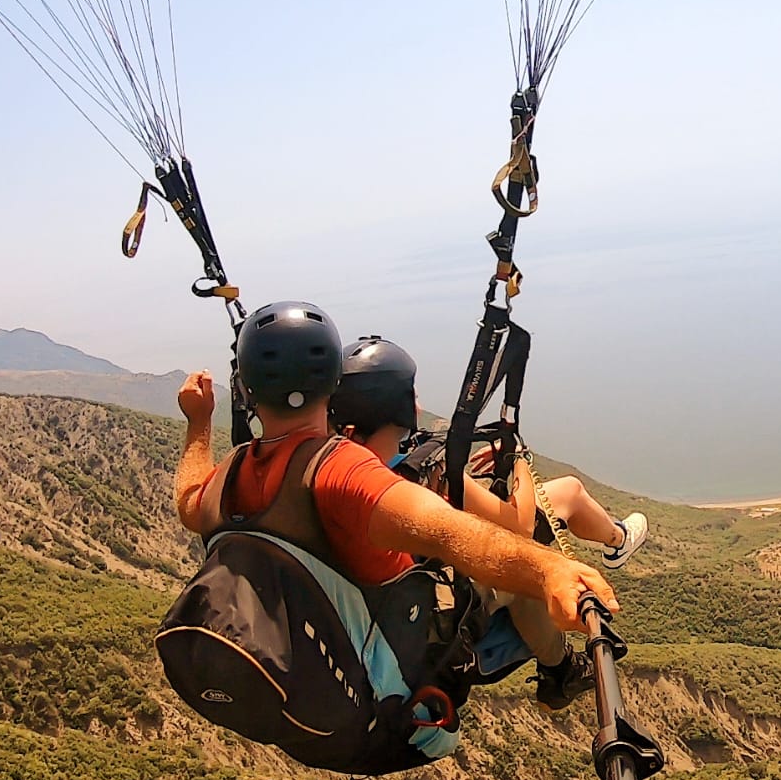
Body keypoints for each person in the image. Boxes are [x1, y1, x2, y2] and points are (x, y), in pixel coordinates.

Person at [173, 301, 618, 710]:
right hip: (404, 652)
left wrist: (199, 424)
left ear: (246, 391)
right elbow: (453, 532)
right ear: (332, 385)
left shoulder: (233, 472)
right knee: (525, 568)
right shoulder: (344, 472)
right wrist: (546, 571)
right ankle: (560, 671)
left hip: (313, 644)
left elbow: (190, 502)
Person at [328, 335, 650, 708]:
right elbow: (519, 528)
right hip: (429, 615)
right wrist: (518, 462)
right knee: (524, 568)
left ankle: (617, 538)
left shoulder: (337, 465)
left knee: (567, 492)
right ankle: (560, 670)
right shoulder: (419, 473)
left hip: (395, 597)